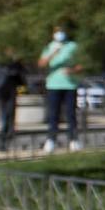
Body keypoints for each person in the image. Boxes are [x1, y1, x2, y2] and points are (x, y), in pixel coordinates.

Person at [38, 23, 83, 153]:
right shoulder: (49, 47)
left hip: (70, 85)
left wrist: (73, 70)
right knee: (53, 114)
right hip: (53, 85)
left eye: (62, 31)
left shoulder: (73, 46)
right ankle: (51, 140)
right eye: (57, 31)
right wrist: (53, 53)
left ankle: (74, 140)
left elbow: (83, 64)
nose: (59, 34)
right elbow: (41, 64)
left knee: (70, 113)